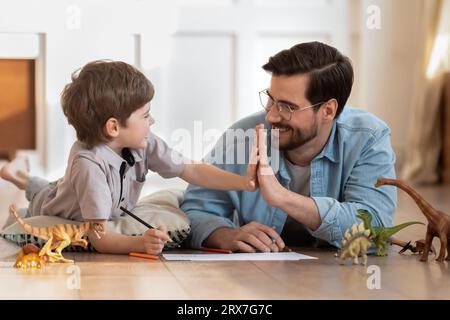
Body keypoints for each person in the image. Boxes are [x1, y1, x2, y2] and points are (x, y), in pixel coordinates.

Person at [0, 60, 258, 255]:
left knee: (50, 184)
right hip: (58, 203)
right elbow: (99, 239)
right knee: (42, 192)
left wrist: (243, 182)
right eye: (145, 115)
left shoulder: (144, 142)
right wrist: (139, 242)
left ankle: (18, 172)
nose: (152, 120)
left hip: (74, 187)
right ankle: (18, 175)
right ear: (113, 127)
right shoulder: (88, 166)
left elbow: (191, 170)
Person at [181, 41, 397, 253]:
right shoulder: (242, 137)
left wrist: (283, 197)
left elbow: (376, 228)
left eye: (287, 107)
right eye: (271, 99)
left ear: (328, 111)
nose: (271, 115)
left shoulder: (368, 138)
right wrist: (224, 235)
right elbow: (195, 211)